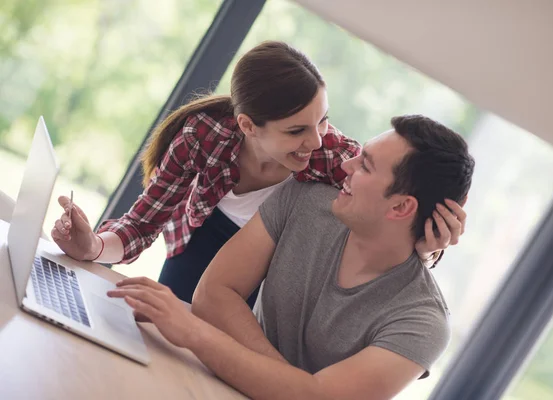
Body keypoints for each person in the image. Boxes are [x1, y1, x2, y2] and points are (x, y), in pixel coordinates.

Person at [51, 41, 461, 306]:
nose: (316, 140)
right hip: (196, 246)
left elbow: (384, 222)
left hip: (264, 280)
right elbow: (141, 226)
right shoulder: (203, 136)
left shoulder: (335, 158)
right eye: (296, 130)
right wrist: (92, 248)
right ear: (247, 125)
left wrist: (427, 247)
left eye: (323, 121)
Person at [106, 114, 475, 400]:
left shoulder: (422, 323)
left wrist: (194, 334)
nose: (346, 166)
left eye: (365, 166)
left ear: (400, 206)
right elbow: (215, 293)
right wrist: (287, 385)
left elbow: (317, 399)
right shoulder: (305, 200)